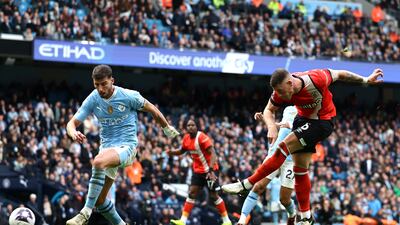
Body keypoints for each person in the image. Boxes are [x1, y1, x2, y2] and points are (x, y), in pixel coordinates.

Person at [222, 68, 383, 225]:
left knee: (283, 147)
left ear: (290, 83)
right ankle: (306, 216)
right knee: (301, 169)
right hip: (302, 120)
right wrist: (271, 126)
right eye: (277, 92)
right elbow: (268, 110)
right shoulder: (280, 91)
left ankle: (246, 184)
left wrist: (365, 79)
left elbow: (340, 74)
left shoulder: (316, 78)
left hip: (322, 121)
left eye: (282, 91)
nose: (281, 96)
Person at [66, 64, 179, 225]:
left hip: (127, 146)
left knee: (98, 162)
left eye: (104, 84)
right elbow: (71, 123)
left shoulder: (128, 96)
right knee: (100, 200)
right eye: (96, 85)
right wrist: (73, 132)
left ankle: (84, 213)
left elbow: (152, 109)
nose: (100, 88)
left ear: (112, 80)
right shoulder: (93, 98)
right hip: (107, 149)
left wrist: (166, 128)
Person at [237, 106, 297, 225]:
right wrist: (266, 120)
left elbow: (307, 131)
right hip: (275, 153)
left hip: (291, 159)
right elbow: (279, 125)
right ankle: (242, 219)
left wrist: (289, 126)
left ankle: (292, 214)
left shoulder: (308, 111)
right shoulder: (288, 108)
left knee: (284, 200)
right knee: (258, 186)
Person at [168, 119, 232, 225]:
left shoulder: (202, 137)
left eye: (193, 125)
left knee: (213, 195)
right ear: (186, 128)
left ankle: (227, 221)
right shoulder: (186, 139)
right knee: (192, 193)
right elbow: (182, 150)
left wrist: (211, 171)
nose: (190, 127)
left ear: (196, 126)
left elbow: (213, 154)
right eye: (188, 125)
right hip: (198, 171)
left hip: (210, 171)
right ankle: (182, 221)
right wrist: (172, 153)